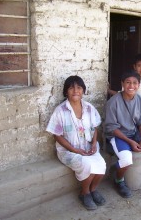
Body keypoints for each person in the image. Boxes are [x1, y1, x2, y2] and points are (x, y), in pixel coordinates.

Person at [46, 75, 106, 210]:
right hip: (68, 151)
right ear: (66, 91)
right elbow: (57, 135)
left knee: (101, 166)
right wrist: (75, 150)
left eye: (79, 87)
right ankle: (84, 193)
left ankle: (93, 190)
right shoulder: (60, 111)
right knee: (88, 166)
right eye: (71, 87)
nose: (75, 90)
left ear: (83, 90)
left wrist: (94, 143)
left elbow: (95, 128)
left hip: (88, 147)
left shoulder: (89, 108)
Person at [107, 53, 141, 136]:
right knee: (138, 134)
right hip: (136, 112)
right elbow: (120, 94)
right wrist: (109, 91)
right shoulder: (130, 81)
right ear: (134, 67)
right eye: (139, 66)